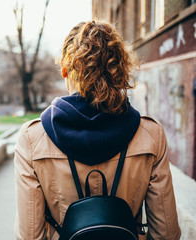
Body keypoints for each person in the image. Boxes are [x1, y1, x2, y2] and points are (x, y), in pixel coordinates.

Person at [14, 20, 181, 240]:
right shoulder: (150, 135)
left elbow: (30, 236)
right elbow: (166, 233)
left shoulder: (32, 139)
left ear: (64, 70)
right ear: (118, 70)